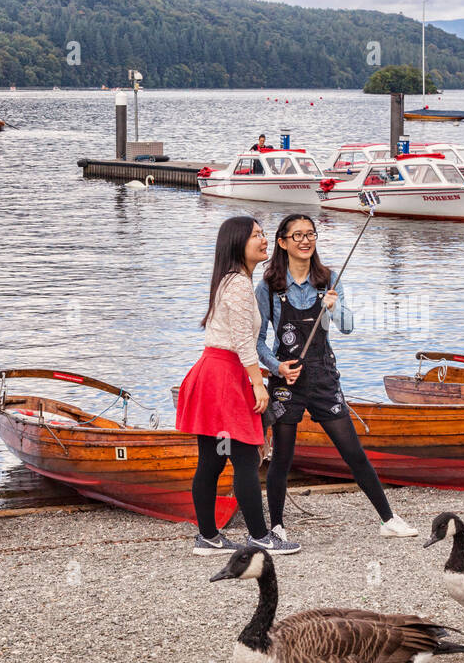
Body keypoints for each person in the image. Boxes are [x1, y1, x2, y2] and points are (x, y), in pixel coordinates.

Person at [256, 214, 418, 543]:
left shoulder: (328, 279)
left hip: (323, 376)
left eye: (311, 234)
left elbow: (347, 327)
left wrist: (333, 307)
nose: (306, 240)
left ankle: (388, 519)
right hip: (287, 380)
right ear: (282, 242)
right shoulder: (268, 285)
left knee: (352, 451)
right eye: (297, 235)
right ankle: (276, 526)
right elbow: (258, 342)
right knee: (282, 456)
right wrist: (277, 368)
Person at [176, 216, 297, 556]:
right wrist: (258, 384)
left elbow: (234, 340)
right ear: (237, 242)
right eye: (256, 235)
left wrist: (255, 373)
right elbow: (244, 341)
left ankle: (209, 537)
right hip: (226, 376)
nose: (264, 240)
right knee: (244, 456)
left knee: (212, 460)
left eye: (263, 234)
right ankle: (260, 537)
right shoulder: (240, 285)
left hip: (213, 371)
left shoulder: (229, 280)